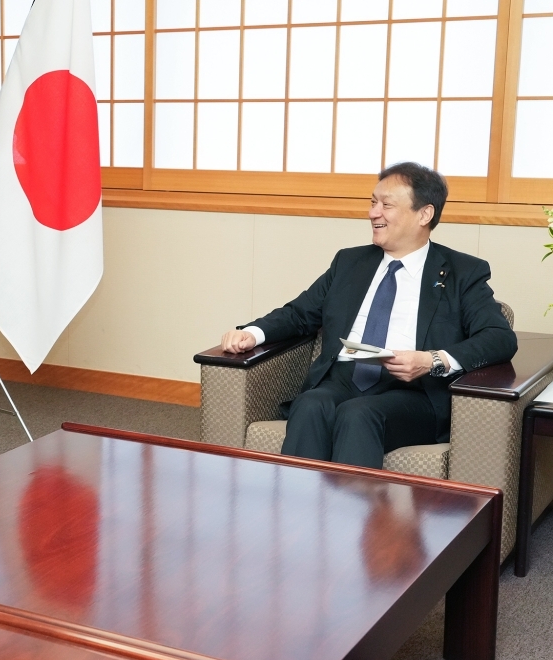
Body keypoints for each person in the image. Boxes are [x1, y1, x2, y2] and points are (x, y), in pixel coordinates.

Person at [218, 162, 517, 468]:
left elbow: (499, 337)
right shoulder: (350, 262)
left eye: (386, 205)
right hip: (346, 378)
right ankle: (297, 511)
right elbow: (299, 313)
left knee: (358, 414)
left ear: (424, 214)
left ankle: (351, 515)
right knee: (310, 403)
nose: (374, 213)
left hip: (413, 393)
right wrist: (251, 334)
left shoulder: (462, 273)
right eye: (373, 203)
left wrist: (431, 360)